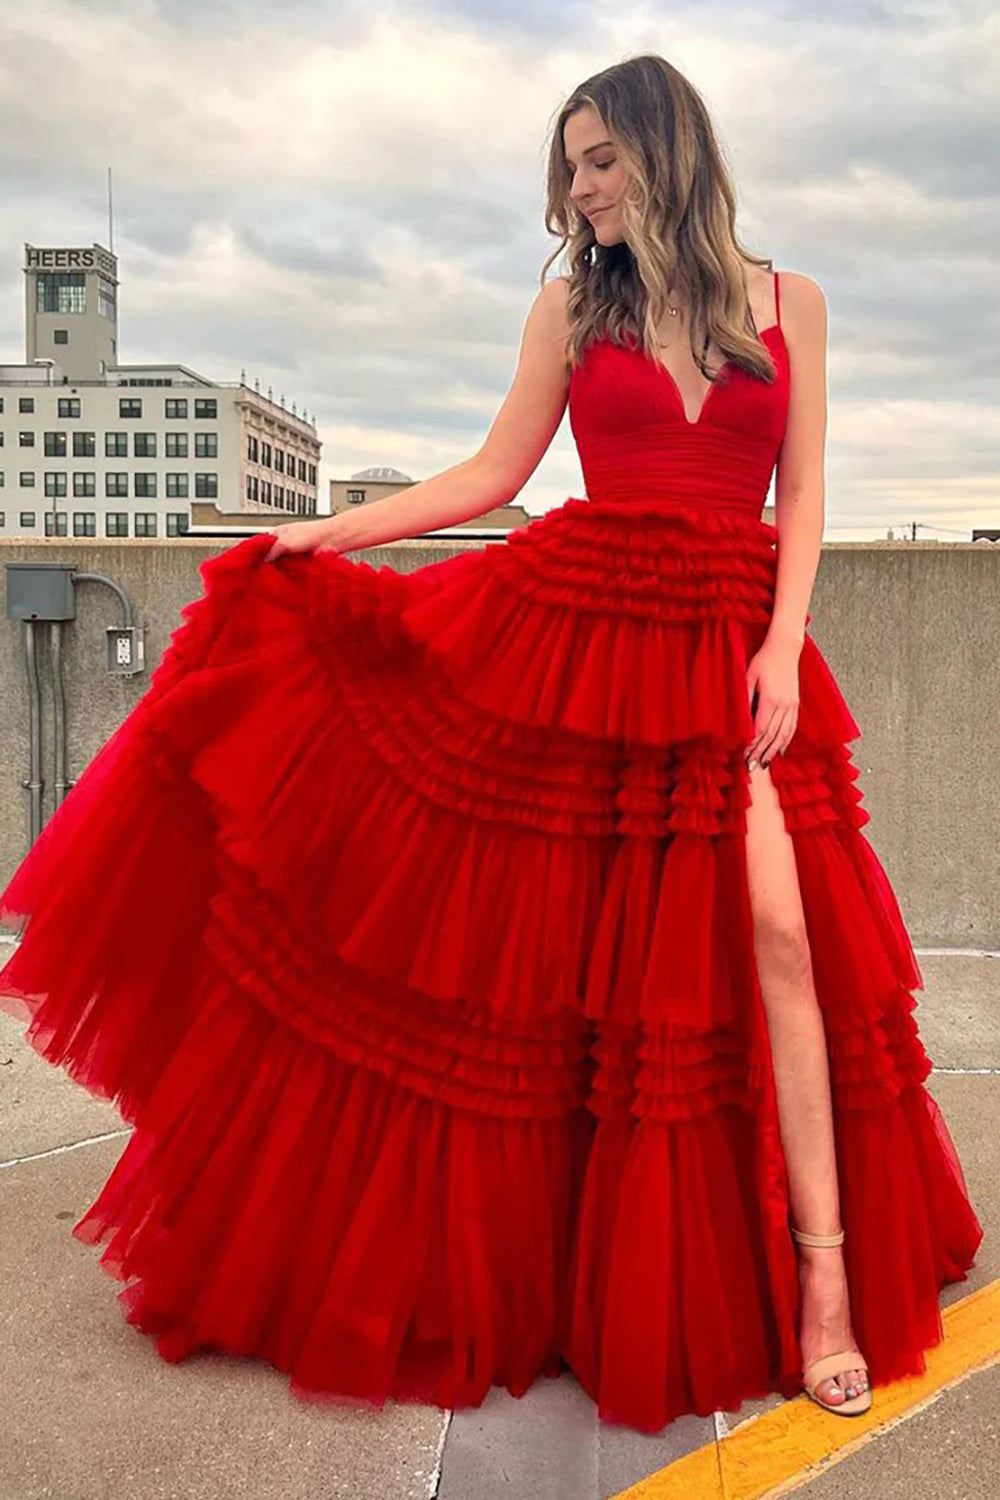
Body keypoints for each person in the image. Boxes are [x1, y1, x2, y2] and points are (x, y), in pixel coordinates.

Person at [0, 53, 982, 1434]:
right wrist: (324, 534)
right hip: (578, 636)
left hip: (732, 641)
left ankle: (822, 1277)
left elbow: (805, 488)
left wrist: (778, 644)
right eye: (568, 168)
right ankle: (573, 1265)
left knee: (777, 935)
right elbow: (494, 475)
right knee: (561, 972)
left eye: (598, 161)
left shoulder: (788, 301)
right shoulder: (575, 307)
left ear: (663, 150)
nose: (577, 190)